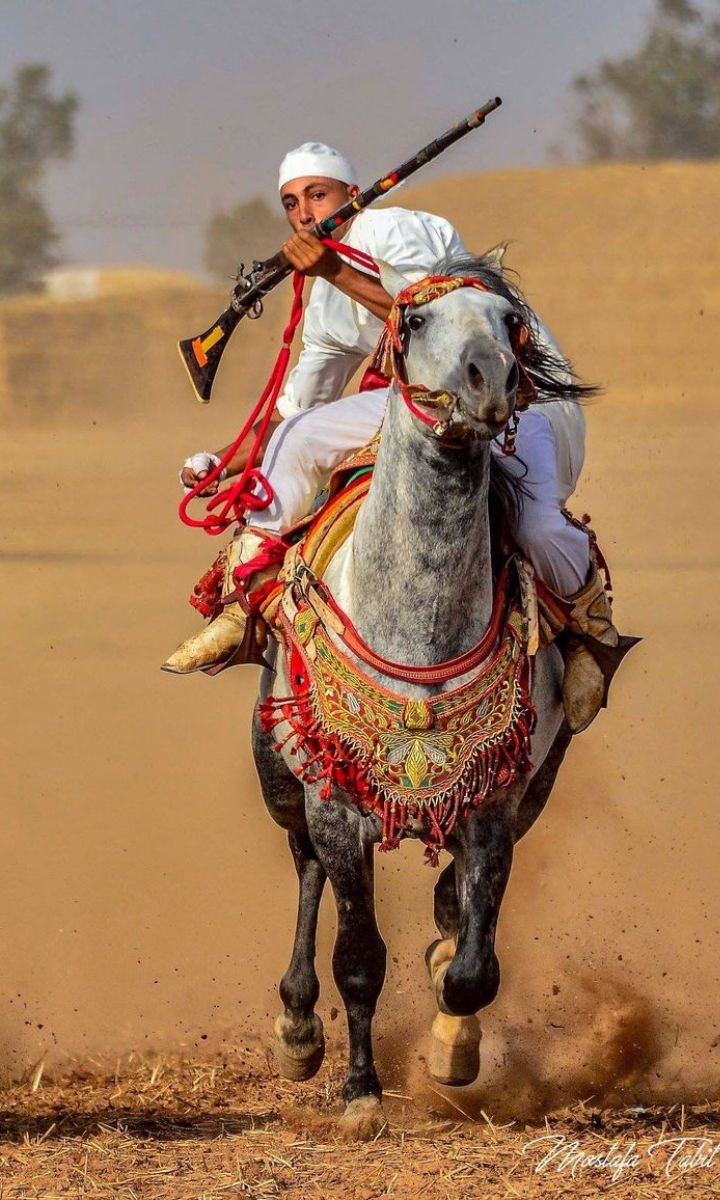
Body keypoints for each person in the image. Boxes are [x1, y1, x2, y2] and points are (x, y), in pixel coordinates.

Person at [163, 142, 617, 732]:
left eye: (317, 195)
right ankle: (246, 601)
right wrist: (222, 462)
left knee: (535, 525)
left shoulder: (397, 230)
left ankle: (589, 633)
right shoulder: (326, 297)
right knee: (298, 438)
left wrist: (333, 270)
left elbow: (444, 318)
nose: (304, 213)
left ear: (351, 195)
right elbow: (298, 409)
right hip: (423, 406)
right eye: (291, 203)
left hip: (512, 398)